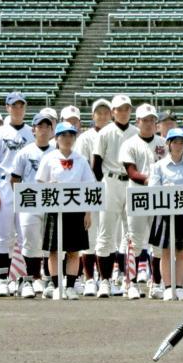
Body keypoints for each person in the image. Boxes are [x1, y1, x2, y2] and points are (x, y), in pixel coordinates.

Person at [36, 122, 94, 301]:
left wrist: (88, 212)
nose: (67, 139)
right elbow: (39, 182)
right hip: (54, 208)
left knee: (74, 250)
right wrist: (48, 186)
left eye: (71, 136)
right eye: (63, 136)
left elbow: (89, 187)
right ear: (57, 138)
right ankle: (56, 284)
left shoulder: (81, 159)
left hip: (75, 209)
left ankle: (70, 286)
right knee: (54, 250)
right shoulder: (49, 158)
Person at [0, 91, 34, 296]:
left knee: (25, 235)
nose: (18, 109)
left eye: (21, 105)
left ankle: (25, 280)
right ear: (7, 108)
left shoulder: (31, 133)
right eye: (14, 105)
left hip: (25, 188)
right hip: (4, 187)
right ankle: (1, 280)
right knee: (1, 235)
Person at [119, 104, 167, 299]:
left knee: (157, 243)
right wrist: (151, 180)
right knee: (135, 240)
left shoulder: (164, 142)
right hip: (138, 194)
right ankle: (130, 282)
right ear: (137, 122)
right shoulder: (130, 143)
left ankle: (155, 282)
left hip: (158, 196)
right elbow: (131, 172)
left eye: (152, 120)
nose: (149, 123)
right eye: (145, 120)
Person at [93, 94, 138, 296]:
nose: (123, 112)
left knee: (131, 233)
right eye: (120, 108)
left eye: (127, 108)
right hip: (110, 180)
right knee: (106, 232)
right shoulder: (104, 132)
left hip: (131, 182)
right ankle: (104, 280)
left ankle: (130, 280)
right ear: (113, 112)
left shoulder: (136, 133)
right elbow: (96, 164)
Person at [148, 128, 183, 301]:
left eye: (181, 142)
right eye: (175, 142)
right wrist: (165, 189)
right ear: (168, 144)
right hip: (164, 213)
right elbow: (153, 189)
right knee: (165, 251)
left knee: (182, 251)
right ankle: (168, 286)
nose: (178, 145)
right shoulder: (159, 166)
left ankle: (179, 287)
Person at [10, 111, 56, 298]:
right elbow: (14, 179)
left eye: (47, 126)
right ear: (34, 129)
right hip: (30, 202)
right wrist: (22, 196)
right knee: (30, 241)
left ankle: (48, 279)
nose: (43, 130)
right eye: (40, 126)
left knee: (50, 243)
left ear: (51, 130)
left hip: (50, 202)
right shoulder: (24, 152)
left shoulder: (56, 153)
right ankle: (31, 278)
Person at [75, 98, 111, 295]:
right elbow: (82, 166)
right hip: (90, 188)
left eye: (106, 112)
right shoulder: (85, 138)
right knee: (89, 233)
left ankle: (109, 278)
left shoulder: (115, 134)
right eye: (99, 112)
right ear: (93, 115)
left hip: (111, 186)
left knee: (109, 234)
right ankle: (89, 278)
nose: (103, 115)